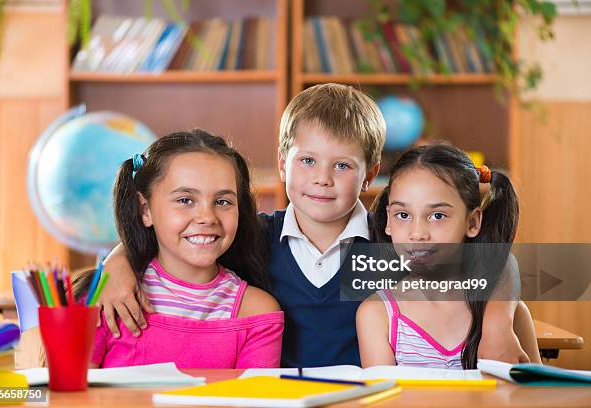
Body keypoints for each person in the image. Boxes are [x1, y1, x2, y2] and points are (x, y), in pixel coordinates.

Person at [97, 84, 530, 368]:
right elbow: (183, 241)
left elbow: (499, 263)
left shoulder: (391, 244)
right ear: (284, 164)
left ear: (370, 173)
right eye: (307, 161)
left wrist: (496, 320)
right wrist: (121, 260)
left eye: (342, 165)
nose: (322, 178)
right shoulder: (256, 238)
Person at [74, 129, 283, 368]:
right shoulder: (109, 298)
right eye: (185, 200)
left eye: (223, 201)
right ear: (145, 210)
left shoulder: (257, 313)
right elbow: (70, 397)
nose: (207, 217)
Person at [356, 143, 541, 368]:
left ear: (472, 222)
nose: (417, 234)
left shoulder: (508, 315)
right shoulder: (377, 315)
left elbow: (534, 395)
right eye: (403, 214)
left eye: (438, 215)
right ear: (388, 222)